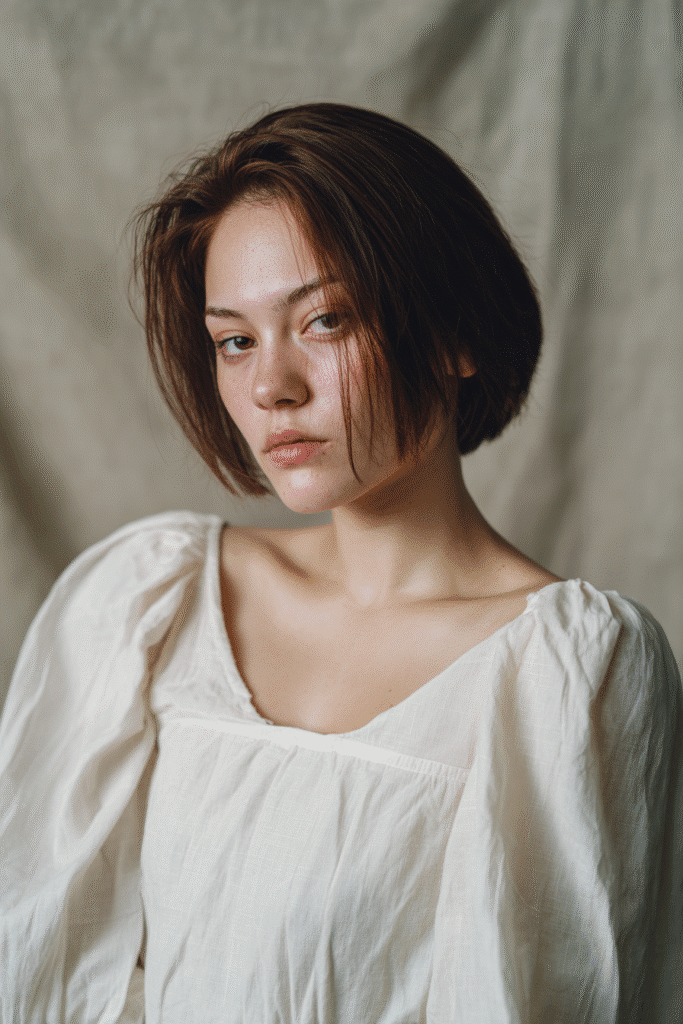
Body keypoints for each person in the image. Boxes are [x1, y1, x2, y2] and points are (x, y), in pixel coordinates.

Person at [1, 102, 681, 1023]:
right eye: (234, 340)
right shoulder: (150, 606)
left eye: (324, 320)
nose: (270, 387)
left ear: (456, 335)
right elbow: (48, 972)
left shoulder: (573, 671)